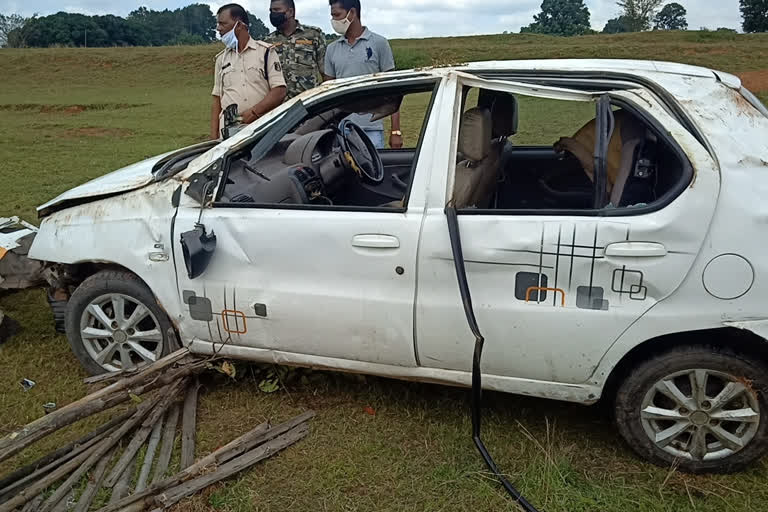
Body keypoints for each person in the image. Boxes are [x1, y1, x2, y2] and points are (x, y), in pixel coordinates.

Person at [324, 0, 402, 149]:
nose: (334, 21)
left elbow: (392, 91)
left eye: (337, 15)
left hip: (371, 129)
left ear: (352, 13)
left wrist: (395, 130)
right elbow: (328, 93)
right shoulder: (331, 50)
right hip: (341, 130)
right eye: (332, 16)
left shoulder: (379, 43)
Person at [210, 3, 287, 140]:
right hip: (228, 134)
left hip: (261, 130)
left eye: (223, 24)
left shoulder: (266, 52)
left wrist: (254, 113)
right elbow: (217, 100)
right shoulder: (221, 59)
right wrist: (213, 138)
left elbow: (279, 91)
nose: (218, 28)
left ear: (239, 25)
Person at [265, 0, 327, 100]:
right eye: (271, 11)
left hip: (309, 103)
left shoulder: (313, 35)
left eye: (277, 10)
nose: (273, 14)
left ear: (290, 12)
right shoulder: (268, 41)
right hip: (279, 107)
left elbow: (326, 73)